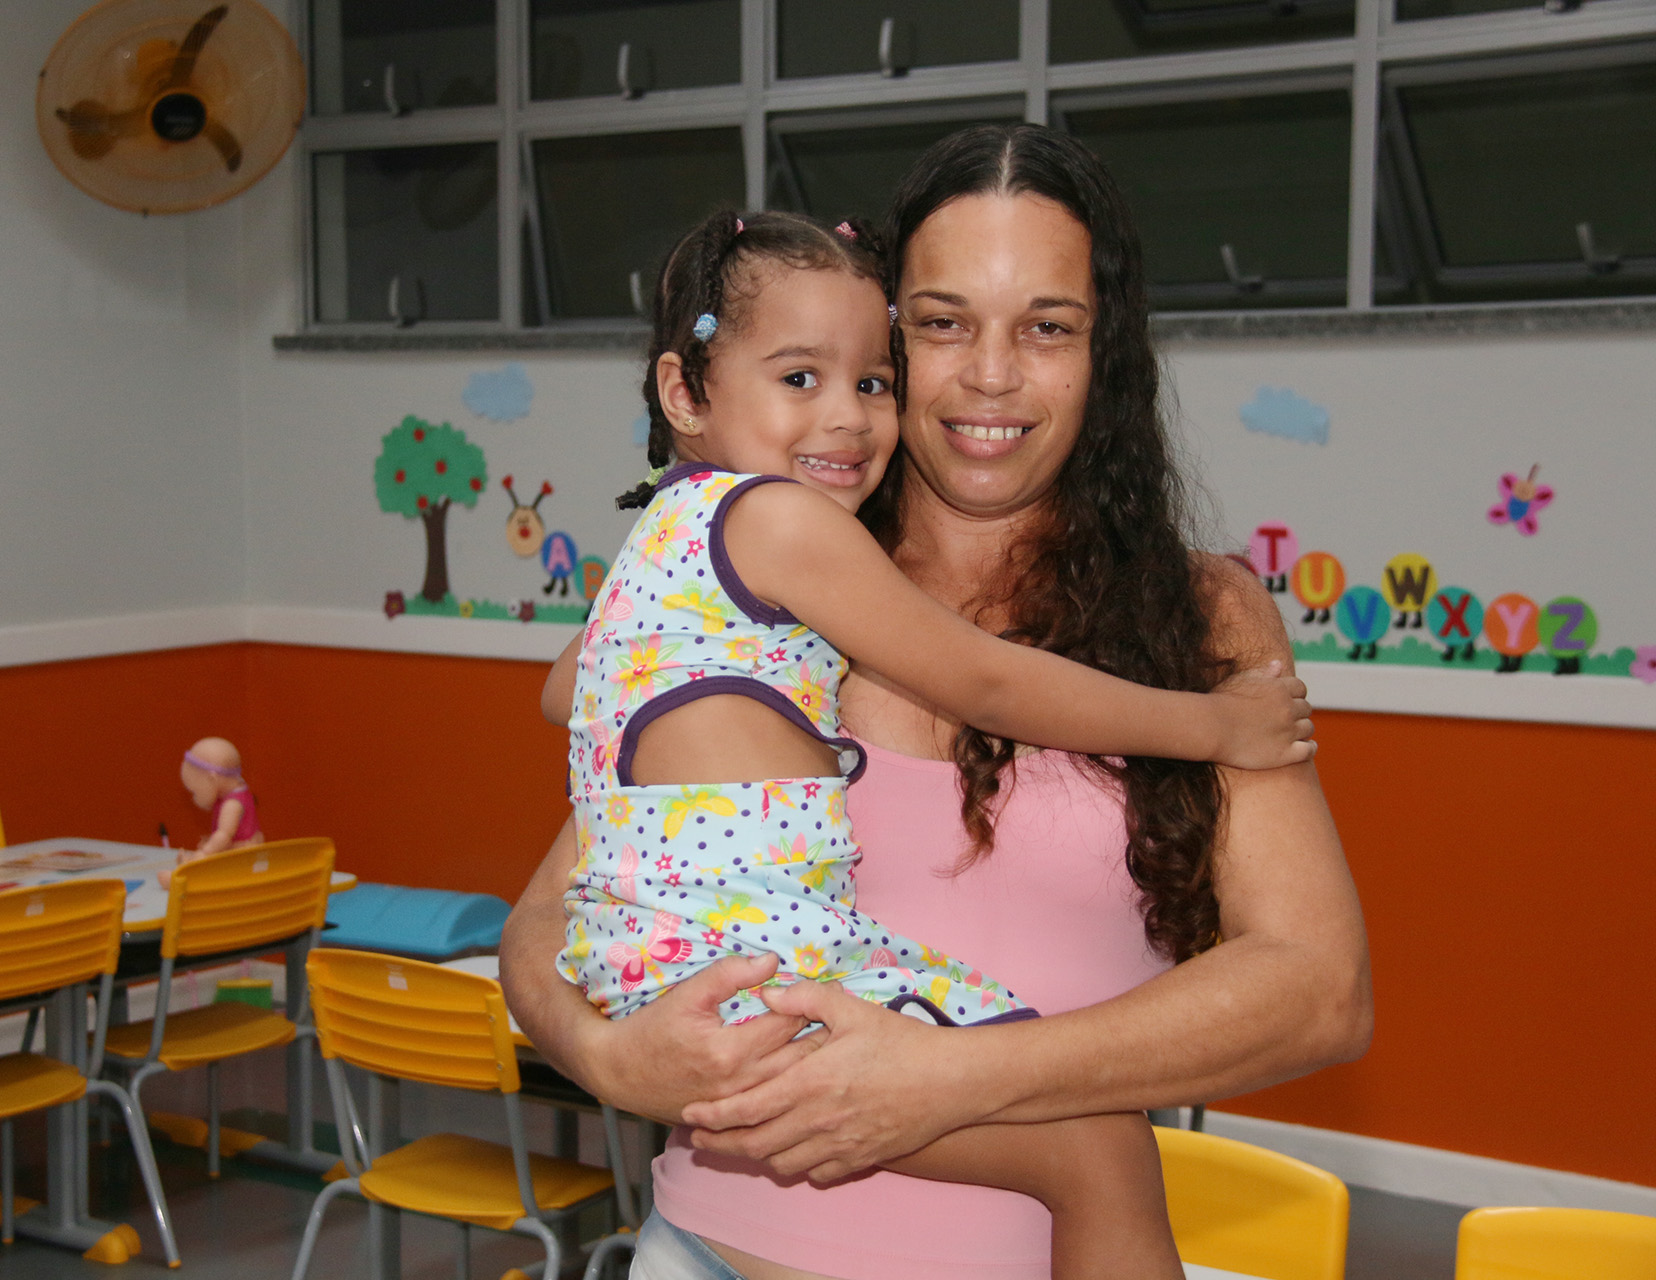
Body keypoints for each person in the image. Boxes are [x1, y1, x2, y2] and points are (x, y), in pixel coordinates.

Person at [501, 123, 1370, 1280]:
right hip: (704, 1251)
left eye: (1047, 327)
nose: (991, 375)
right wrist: (610, 1062)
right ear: (887, 328)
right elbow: (551, 918)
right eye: (943, 322)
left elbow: (1320, 992)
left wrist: (948, 1076)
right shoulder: (776, 594)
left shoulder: (1201, 616)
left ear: (1105, 353)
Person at [178, 736, 264, 859]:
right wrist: (210, 840)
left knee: (168, 877)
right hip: (240, 851)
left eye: (195, 792)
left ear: (211, 779)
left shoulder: (232, 804)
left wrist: (205, 853)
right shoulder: (240, 791)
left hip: (241, 856)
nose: (194, 797)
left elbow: (224, 835)